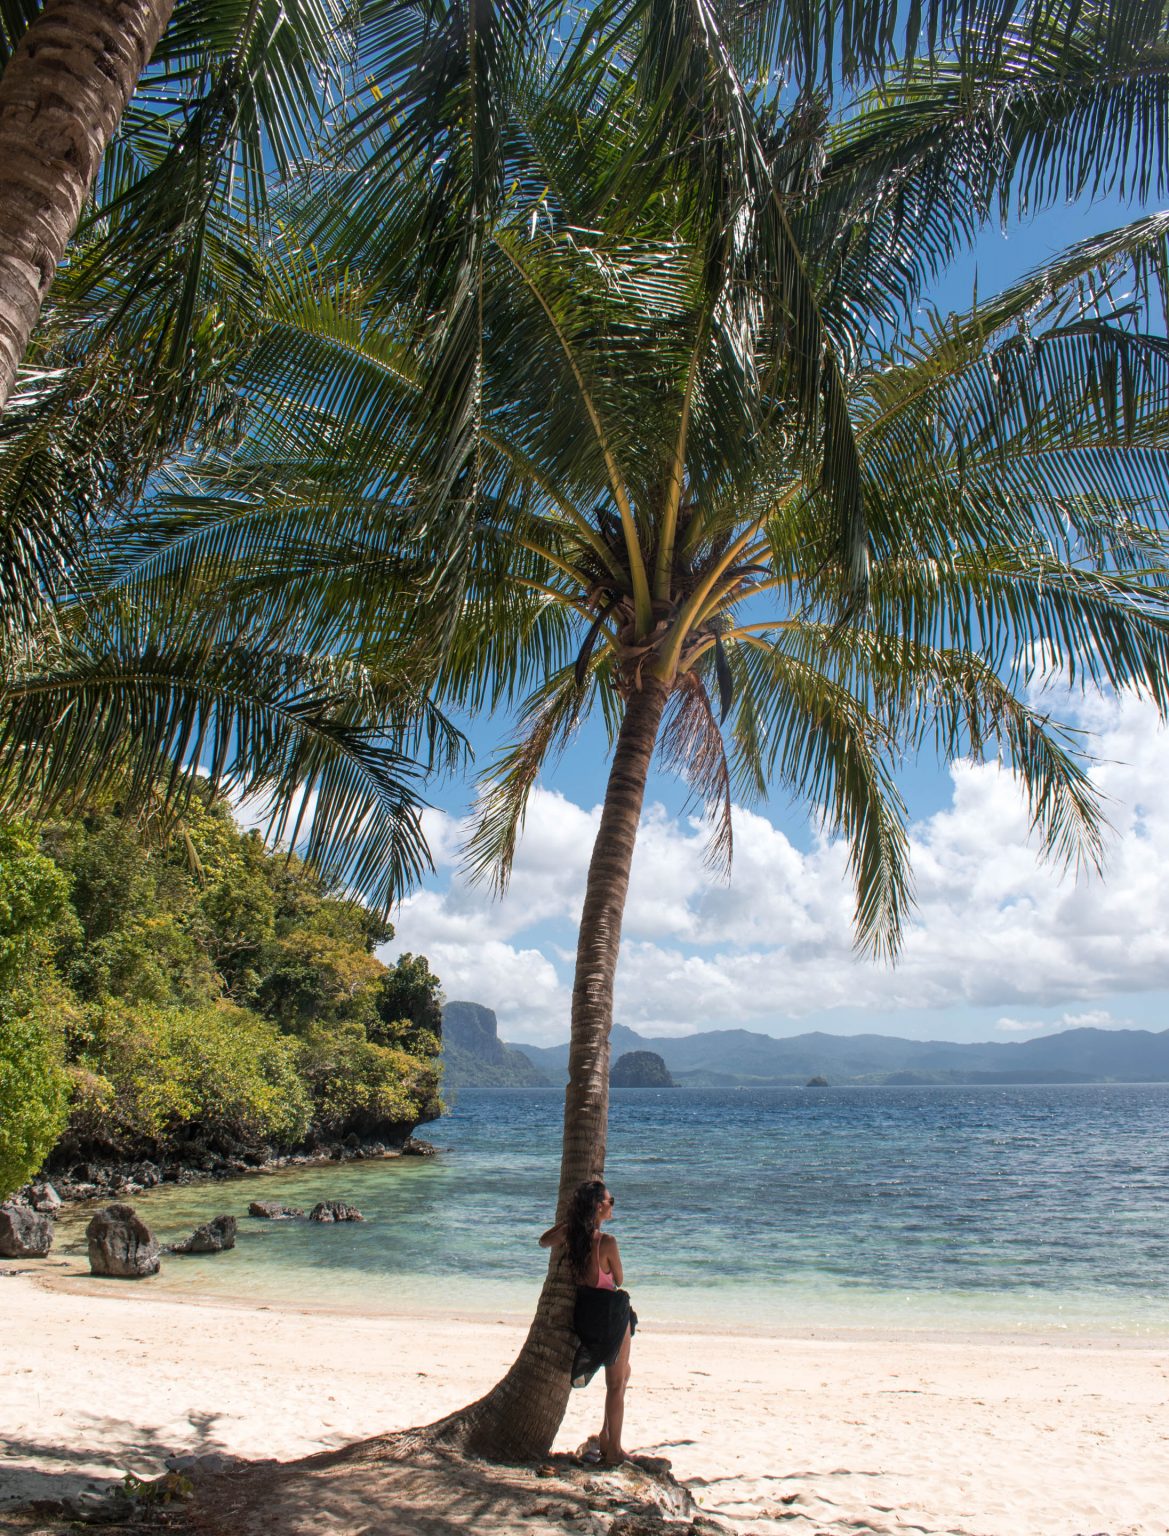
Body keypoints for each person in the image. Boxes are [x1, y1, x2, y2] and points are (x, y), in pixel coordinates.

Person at [540, 1178, 635, 1464]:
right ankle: (613, 1451)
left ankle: (607, 1435)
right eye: (610, 1202)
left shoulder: (573, 1236)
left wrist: (570, 1223)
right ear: (598, 1207)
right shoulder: (607, 1242)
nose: (613, 1206)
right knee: (616, 1384)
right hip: (609, 1314)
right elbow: (618, 1279)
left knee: (623, 1372)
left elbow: (544, 1241)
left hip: (585, 1314)